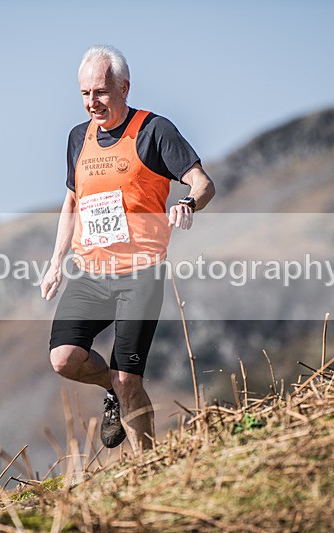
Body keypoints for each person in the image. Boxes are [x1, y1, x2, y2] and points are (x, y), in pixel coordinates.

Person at [40, 45, 215, 454]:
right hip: (89, 271)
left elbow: (203, 182)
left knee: (128, 379)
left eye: (100, 92)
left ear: (123, 87)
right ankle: (112, 389)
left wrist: (189, 202)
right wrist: (56, 263)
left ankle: (147, 468)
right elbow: (72, 202)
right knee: (64, 359)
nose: (91, 103)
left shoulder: (155, 130)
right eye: (84, 94)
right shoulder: (76, 138)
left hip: (141, 273)